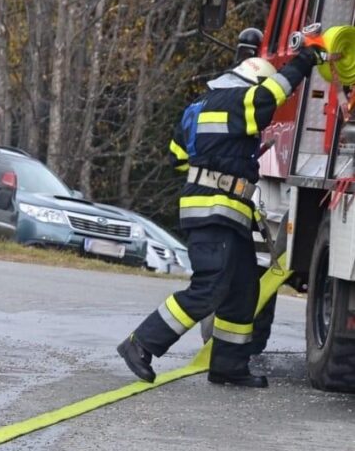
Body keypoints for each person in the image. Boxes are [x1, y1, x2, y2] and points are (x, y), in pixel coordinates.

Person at [116, 35, 322, 388]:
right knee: (209, 288)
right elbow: (271, 95)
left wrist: (223, 159)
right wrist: (305, 60)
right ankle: (141, 343)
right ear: (253, 82)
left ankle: (228, 365)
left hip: (220, 213)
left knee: (244, 289)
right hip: (216, 211)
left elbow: (178, 158)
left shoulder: (200, 105)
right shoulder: (238, 100)